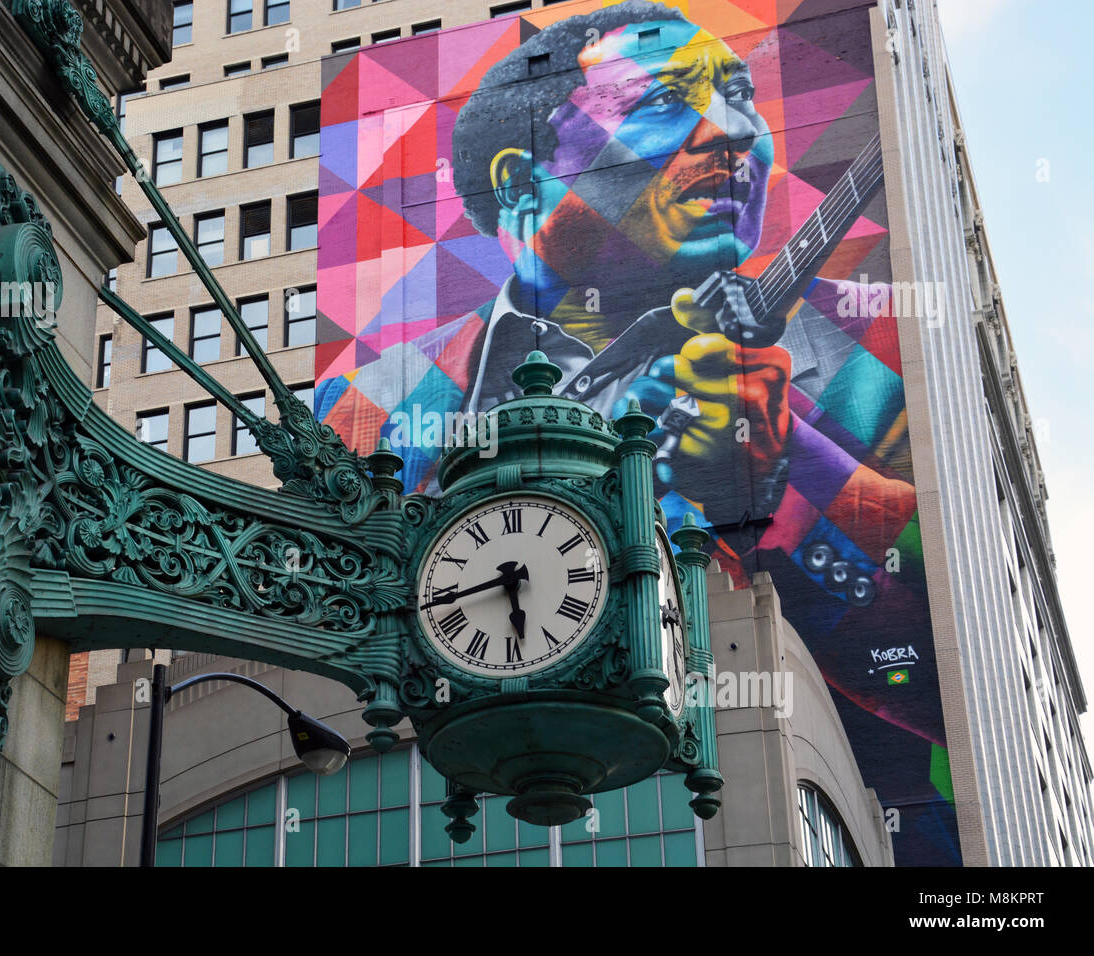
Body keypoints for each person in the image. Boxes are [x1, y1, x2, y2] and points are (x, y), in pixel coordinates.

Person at [317, 0, 953, 861]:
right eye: (664, 104)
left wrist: (785, 468)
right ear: (521, 182)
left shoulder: (861, 348)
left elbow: (932, 682)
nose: (733, 132)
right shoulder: (373, 405)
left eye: (739, 95)